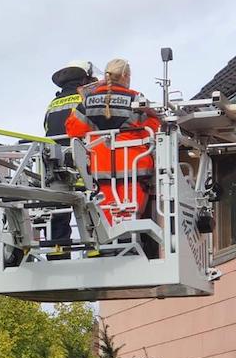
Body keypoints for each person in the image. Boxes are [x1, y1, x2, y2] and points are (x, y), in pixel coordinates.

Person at [65, 58, 160, 225]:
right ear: (125, 76)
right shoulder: (136, 99)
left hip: (100, 170)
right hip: (134, 169)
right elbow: (154, 127)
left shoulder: (87, 101)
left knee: (107, 222)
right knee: (131, 220)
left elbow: (73, 130)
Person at [44, 61, 98, 256]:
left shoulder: (53, 104)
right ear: (84, 79)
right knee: (91, 204)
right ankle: (95, 245)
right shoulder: (84, 101)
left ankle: (57, 248)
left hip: (54, 166)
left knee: (59, 206)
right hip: (82, 165)